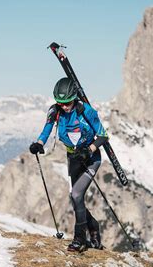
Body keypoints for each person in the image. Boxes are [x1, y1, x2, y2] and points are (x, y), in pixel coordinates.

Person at [29, 77, 108, 252]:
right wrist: (39, 144)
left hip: (91, 159)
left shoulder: (86, 111)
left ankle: (80, 239)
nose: (64, 106)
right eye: (60, 103)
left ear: (74, 97)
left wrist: (89, 149)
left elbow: (103, 135)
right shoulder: (54, 111)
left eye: (68, 103)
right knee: (75, 199)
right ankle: (94, 229)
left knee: (77, 195)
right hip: (73, 159)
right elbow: (47, 130)